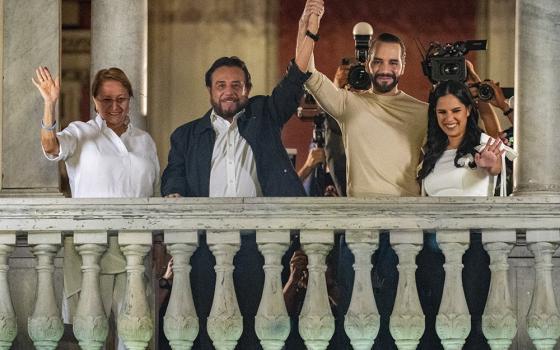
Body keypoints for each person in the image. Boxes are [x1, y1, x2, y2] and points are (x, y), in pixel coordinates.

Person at [32, 66, 159, 350]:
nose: (114, 106)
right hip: (90, 251)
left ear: (130, 99)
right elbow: (51, 148)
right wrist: (49, 103)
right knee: (92, 337)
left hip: (134, 251)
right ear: (94, 101)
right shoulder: (81, 133)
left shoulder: (145, 141)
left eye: (121, 99)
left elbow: (155, 196)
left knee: (135, 337)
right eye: (106, 99)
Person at [160, 0, 323, 198]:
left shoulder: (264, 115)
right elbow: (174, 176)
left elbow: (294, 79)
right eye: (221, 85)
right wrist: (174, 192)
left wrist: (307, 30)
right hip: (208, 226)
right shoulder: (185, 136)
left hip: (263, 226)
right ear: (209, 90)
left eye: (236, 85)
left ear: (248, 90)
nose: (229, 92)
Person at [418, 80, 507, 196]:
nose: (449, 118)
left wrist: (491, 163)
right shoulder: (430, 152)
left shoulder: (484, 145)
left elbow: (495, 168)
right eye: (442, 112)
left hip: (474, 213)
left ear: (468, 110)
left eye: (456, 111)